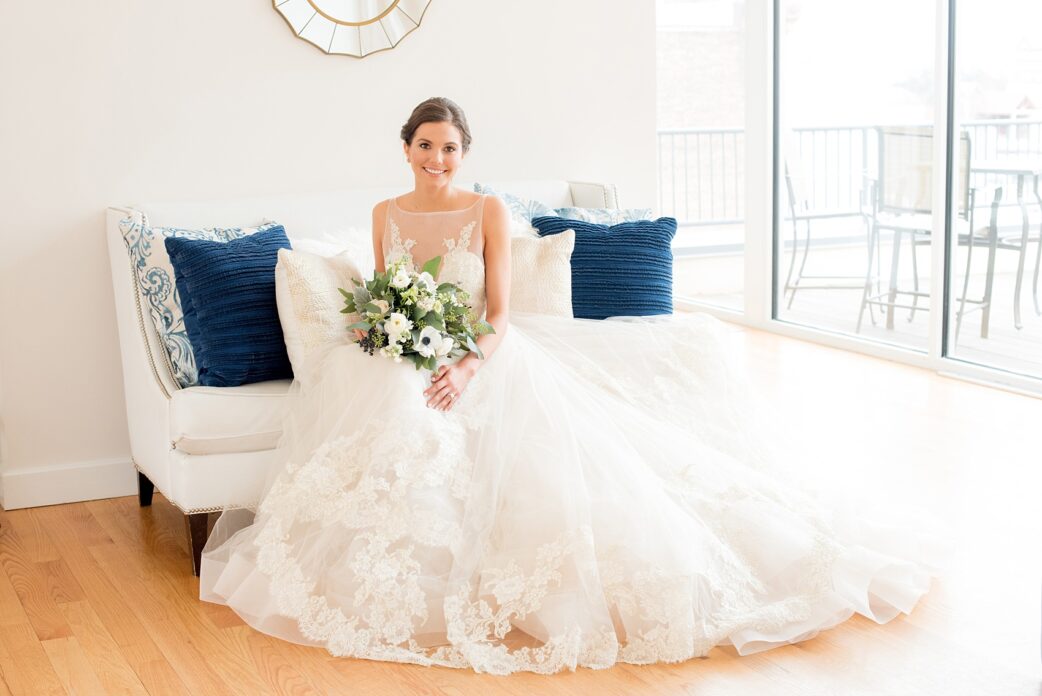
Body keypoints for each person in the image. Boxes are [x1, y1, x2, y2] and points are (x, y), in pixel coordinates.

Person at [200, 97, 935, 675]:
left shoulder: (485, 209)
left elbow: (498, 317)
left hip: (484, 357)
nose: (436, 158)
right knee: (394, 406)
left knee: (489, 436)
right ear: (406, 148)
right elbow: (393, 293)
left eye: (449, 147)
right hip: (411, 354)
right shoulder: (385, 213)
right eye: (425, 145)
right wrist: (387, 330)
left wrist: (462, 365)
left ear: (464, 154)